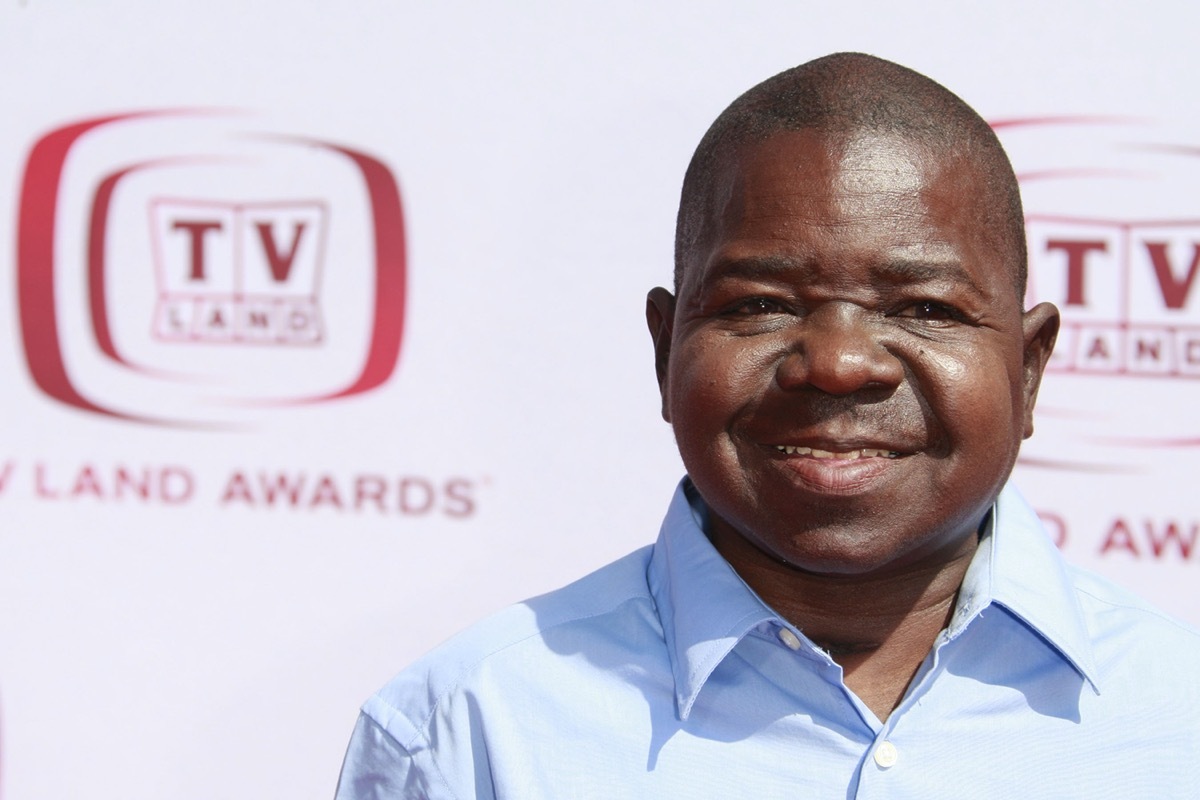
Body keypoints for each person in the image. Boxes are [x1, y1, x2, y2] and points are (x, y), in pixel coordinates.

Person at [334, 53, 1200, 798]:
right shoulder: (470, 729)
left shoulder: (1176, 719)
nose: (838, 363)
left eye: (924, 306)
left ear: (1029, 367)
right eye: (759, 303)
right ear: (666, 348)